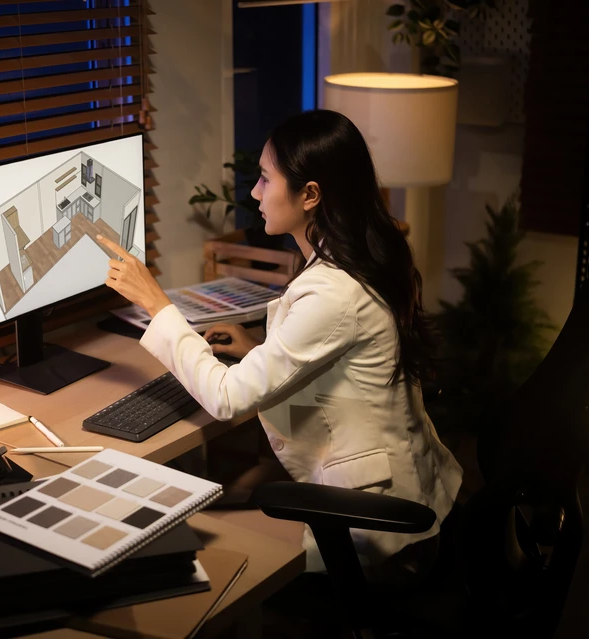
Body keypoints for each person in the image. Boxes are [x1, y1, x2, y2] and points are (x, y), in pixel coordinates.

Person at [96, 109, 463, 585]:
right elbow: (337, 360)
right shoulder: (364, 252)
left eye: (265, 179)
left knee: (183, 548)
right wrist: (258, 348)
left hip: (368, 518)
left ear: (310, 195)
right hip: (410, 487)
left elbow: (227, 398)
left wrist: (155, 302)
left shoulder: (334, 291)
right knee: (216, 502)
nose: (254, 193)